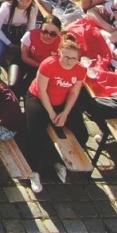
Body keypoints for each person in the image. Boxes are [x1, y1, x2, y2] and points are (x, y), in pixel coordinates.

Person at [24, 35, 88, 195]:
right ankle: (33, 171)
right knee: (35, 133)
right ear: (59, 53)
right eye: (65, 56)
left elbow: (74, 92)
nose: (69, 61)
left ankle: (58, 161)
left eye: (73, 58)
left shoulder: (80, 69)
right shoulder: (48, 65)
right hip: (39, 98)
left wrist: (65, 113)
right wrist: (51, 113)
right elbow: (42, 90)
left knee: (82, 132)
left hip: (62, 100)